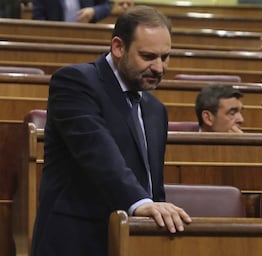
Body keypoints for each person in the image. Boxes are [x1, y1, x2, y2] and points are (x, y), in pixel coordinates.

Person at [31, 6, 192, 256]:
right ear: (118, 47)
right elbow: (99, 153)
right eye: (148, 56)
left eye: (165, 57)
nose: (159, 68)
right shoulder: (75, 82)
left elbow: (152, 185)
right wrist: (141, 203)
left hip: (132, 242)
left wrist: (155, 218)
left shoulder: (155, 109)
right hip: (76, 241)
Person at [32, 0, 111, 23]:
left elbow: (106, 6)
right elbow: (38, 17)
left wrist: (94, 11)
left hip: (86, 36)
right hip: (54, 38)